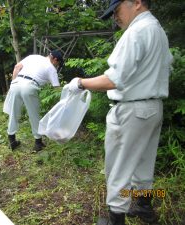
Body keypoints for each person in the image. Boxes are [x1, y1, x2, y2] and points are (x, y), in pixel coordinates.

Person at [68, 0, 173, 224]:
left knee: (118, 168)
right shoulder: (158, 30)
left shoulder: (136, 32)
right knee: (144, 162)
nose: (116, 17)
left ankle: (116, 219)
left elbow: (113, 80)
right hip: (153, 107)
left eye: (117, 10)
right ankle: (144, 207)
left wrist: (80, 82)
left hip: (131, 111)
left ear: (136, 3)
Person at [3, 50, 63, 152]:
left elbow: (17, 67)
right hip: (30, 86)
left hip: (16, 83)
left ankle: (12, 141)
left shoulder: (33, 57)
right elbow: (57, 88)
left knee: (14, 113)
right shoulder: (51, 68)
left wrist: (13, 83)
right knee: (34, 115)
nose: (57, 66)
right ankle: (38, 143)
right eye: (58, 63)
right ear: (55, 60)